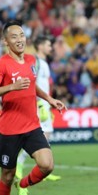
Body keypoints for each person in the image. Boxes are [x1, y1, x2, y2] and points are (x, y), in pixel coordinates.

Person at [0, 21, 66, 195]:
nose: (19, 40)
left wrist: (49, 99)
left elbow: (32, 83)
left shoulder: (30, 60)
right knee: (7, 175)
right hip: (9, 130)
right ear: (5, 41)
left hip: (31, 126)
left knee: (47, 165)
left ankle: (24, 184)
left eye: (21, 35)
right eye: (14, 37)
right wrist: (12, 86)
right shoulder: (1, 64)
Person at [16, 36, 61, 183]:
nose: (51, 47)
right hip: (38, 105)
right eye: (48, 45)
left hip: (45, 105)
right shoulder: (35, 62)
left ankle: (42, 169)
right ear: (40, 46)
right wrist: (40, 104)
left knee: (46, 136)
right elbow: (31, 82)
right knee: (40, 138)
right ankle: (19, 163)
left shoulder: (44, 63)